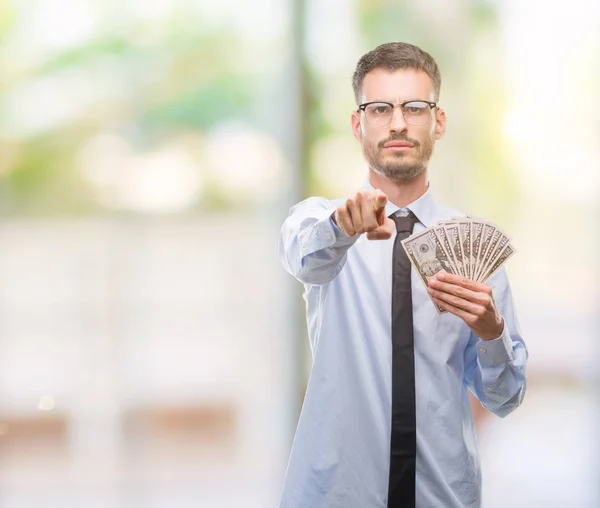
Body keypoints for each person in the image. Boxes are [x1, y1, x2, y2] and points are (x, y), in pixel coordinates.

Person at [278, 42, 528, 508]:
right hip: (336, 492)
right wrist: (341, 227)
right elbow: (305, 258)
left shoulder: (472, 248)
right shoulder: (318, 222)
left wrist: (492, 334)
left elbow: (505, 398)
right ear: (358, 123)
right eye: (380, 108)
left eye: (415, 107)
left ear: (439, 121)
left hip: (443, 494)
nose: (397, 123)